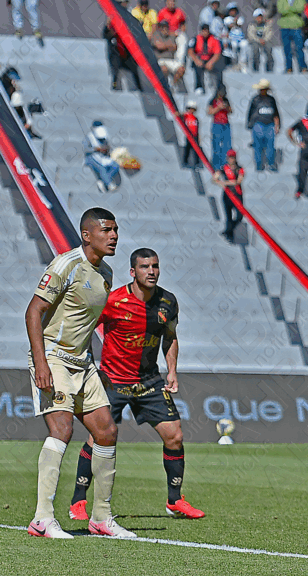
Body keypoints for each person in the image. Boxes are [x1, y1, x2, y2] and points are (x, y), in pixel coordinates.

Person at [67, 248, 204, 522]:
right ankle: (78, 500)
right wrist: (89, 367)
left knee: (174, 435)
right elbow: (83, 330)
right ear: (132, 272)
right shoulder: (113, 300)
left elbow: (170, 336)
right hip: (113, 381)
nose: (151, 271)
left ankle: (174, 500)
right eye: (144, 267)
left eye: (155, 266)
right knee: (98, 438)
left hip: (149, 382)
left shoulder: (167, 301)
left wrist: (172, 371)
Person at [25, 208, 134, 539]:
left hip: (83, 363)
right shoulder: (66, 264)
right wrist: (41, 363)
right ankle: (42, 518)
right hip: (54, 358)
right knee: (62, 429)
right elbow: (34, 311)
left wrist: (94, 363)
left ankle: (101, 518)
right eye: (106, 230)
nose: (114, 236)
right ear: (87, 235)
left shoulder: (107, 273)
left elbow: (85, 323)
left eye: (116, 229)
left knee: (106, 431)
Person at [246, 79, 280, 171]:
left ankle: (271, 164)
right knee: (258, 146)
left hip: (270, 125)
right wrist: (249, 124)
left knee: (270, 146)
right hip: (258, 124)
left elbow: (276, 113)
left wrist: (277, 125)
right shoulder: (255, 99)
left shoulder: (271, 100)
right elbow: (250, 112)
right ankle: (259, 165)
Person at [213, 149, 244, 242]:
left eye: (232, 157)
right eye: (229, 157)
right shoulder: (224, 168)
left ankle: (228, 230)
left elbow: (238, 181)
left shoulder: (239, 169)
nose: (231, 159)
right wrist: (219, 181)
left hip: (237, 195)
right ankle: (229, 235)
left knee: (240, 216)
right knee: (228, 216)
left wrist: (224, 182)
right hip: (227, 195)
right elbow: (214, 178)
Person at [83, 122, 122, 193]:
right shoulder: (89, 137)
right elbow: (85, 149)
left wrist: (107, 149)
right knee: (101, 168)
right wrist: (96, 149)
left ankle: (102, 180)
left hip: (103, 156)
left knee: (115, 166)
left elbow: (107, 145)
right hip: (91, 157)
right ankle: (109, 184)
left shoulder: (105, 135)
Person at [187, 23, 223, 94]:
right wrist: (196, 60)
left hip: (210, 59)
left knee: (219, 67)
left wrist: (211, 62)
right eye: (203, 30)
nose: (205, 32)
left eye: (206, 31)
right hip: (199, 59)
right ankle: (199, 86)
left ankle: (218, 87)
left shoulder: (214, 39)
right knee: (197, 68)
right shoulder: (195, 39)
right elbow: (190, 51)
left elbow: (217, 53)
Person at [152, 20, 185, 88]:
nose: (164, 29)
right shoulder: (156, 35)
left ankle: (173, 86)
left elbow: (175, 47)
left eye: (166, 27)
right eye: (162, 27)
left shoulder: (172, 36)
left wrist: (165, 45)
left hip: (171, 60)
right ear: (160, 28)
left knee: (181, 69)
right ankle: (162, 87)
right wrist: (169, 45)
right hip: (160, 60)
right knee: (164, 69)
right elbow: (159, 46)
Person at [277, 0, 307, 72]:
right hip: (284, 27)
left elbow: (300, 8)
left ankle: (302, 67)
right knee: (287, 48)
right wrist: (293, 10)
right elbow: (280, 10)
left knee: (299, 48)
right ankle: (289, 68)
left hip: (296, 26)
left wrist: (288, 9)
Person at [207, 86, 232, 169]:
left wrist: (226, 107)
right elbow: (210, 112)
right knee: (216, 145)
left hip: (226, 124)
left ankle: (225, 164)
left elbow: (231, 111)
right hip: (217, 124)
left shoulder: (226, 100)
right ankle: (216, 164)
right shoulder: (212, 101)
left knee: (227, 145)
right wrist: (218, 107)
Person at [247, 8, 275, 72]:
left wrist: (264, 40)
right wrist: (258, 40)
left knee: (269, 48)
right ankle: (255, 68)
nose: (259, 19)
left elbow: (269, 34)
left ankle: (269, 68)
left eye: (260, 17)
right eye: (258, 17)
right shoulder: (251, 25)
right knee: (255, 49)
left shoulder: (267, 25)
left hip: (265, 41)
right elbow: (251, 35)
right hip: (255, 41)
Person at [181, 100, 200, 168]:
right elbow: (180, 115)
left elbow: (197, 128)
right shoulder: (186, 116)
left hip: (195, 136)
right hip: (189, 135)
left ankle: (197, 163)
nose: (191, 110)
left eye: (192, 109)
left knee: (196, 150)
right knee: (187, 149)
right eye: (189, 108)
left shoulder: (195, 118)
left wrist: (198, 137)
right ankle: (185, 162)